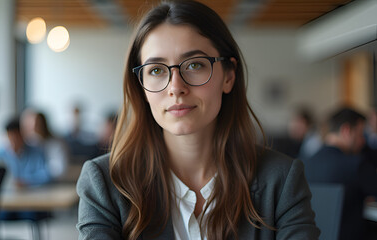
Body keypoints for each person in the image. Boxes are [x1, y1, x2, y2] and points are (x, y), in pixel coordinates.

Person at [77, 1, 319, 239]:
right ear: (141, 87)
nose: (176, 87)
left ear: (229, 76)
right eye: (156, 70)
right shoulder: (106, 183)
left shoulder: (280, 179)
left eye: (194, 64)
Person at [304, 107, 377, 240]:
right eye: (360, 134)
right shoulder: (356, 165)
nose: (363, 141)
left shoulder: (304, 163)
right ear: (346, 130)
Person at [0, 117, 51, 187]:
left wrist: (26, 181)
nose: (14, 140)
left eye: (16, 136)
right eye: (11, 137)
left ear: (23, 134)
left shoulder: (36, 152)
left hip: (34, 193)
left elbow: (46, 175)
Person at [21, 109, 69, 181]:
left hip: (56, 183)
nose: (32, 127)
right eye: (28, 125)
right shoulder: (29, 144)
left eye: (36, 124)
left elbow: (58, 171)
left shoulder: (56, 144)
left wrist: (37, 177)